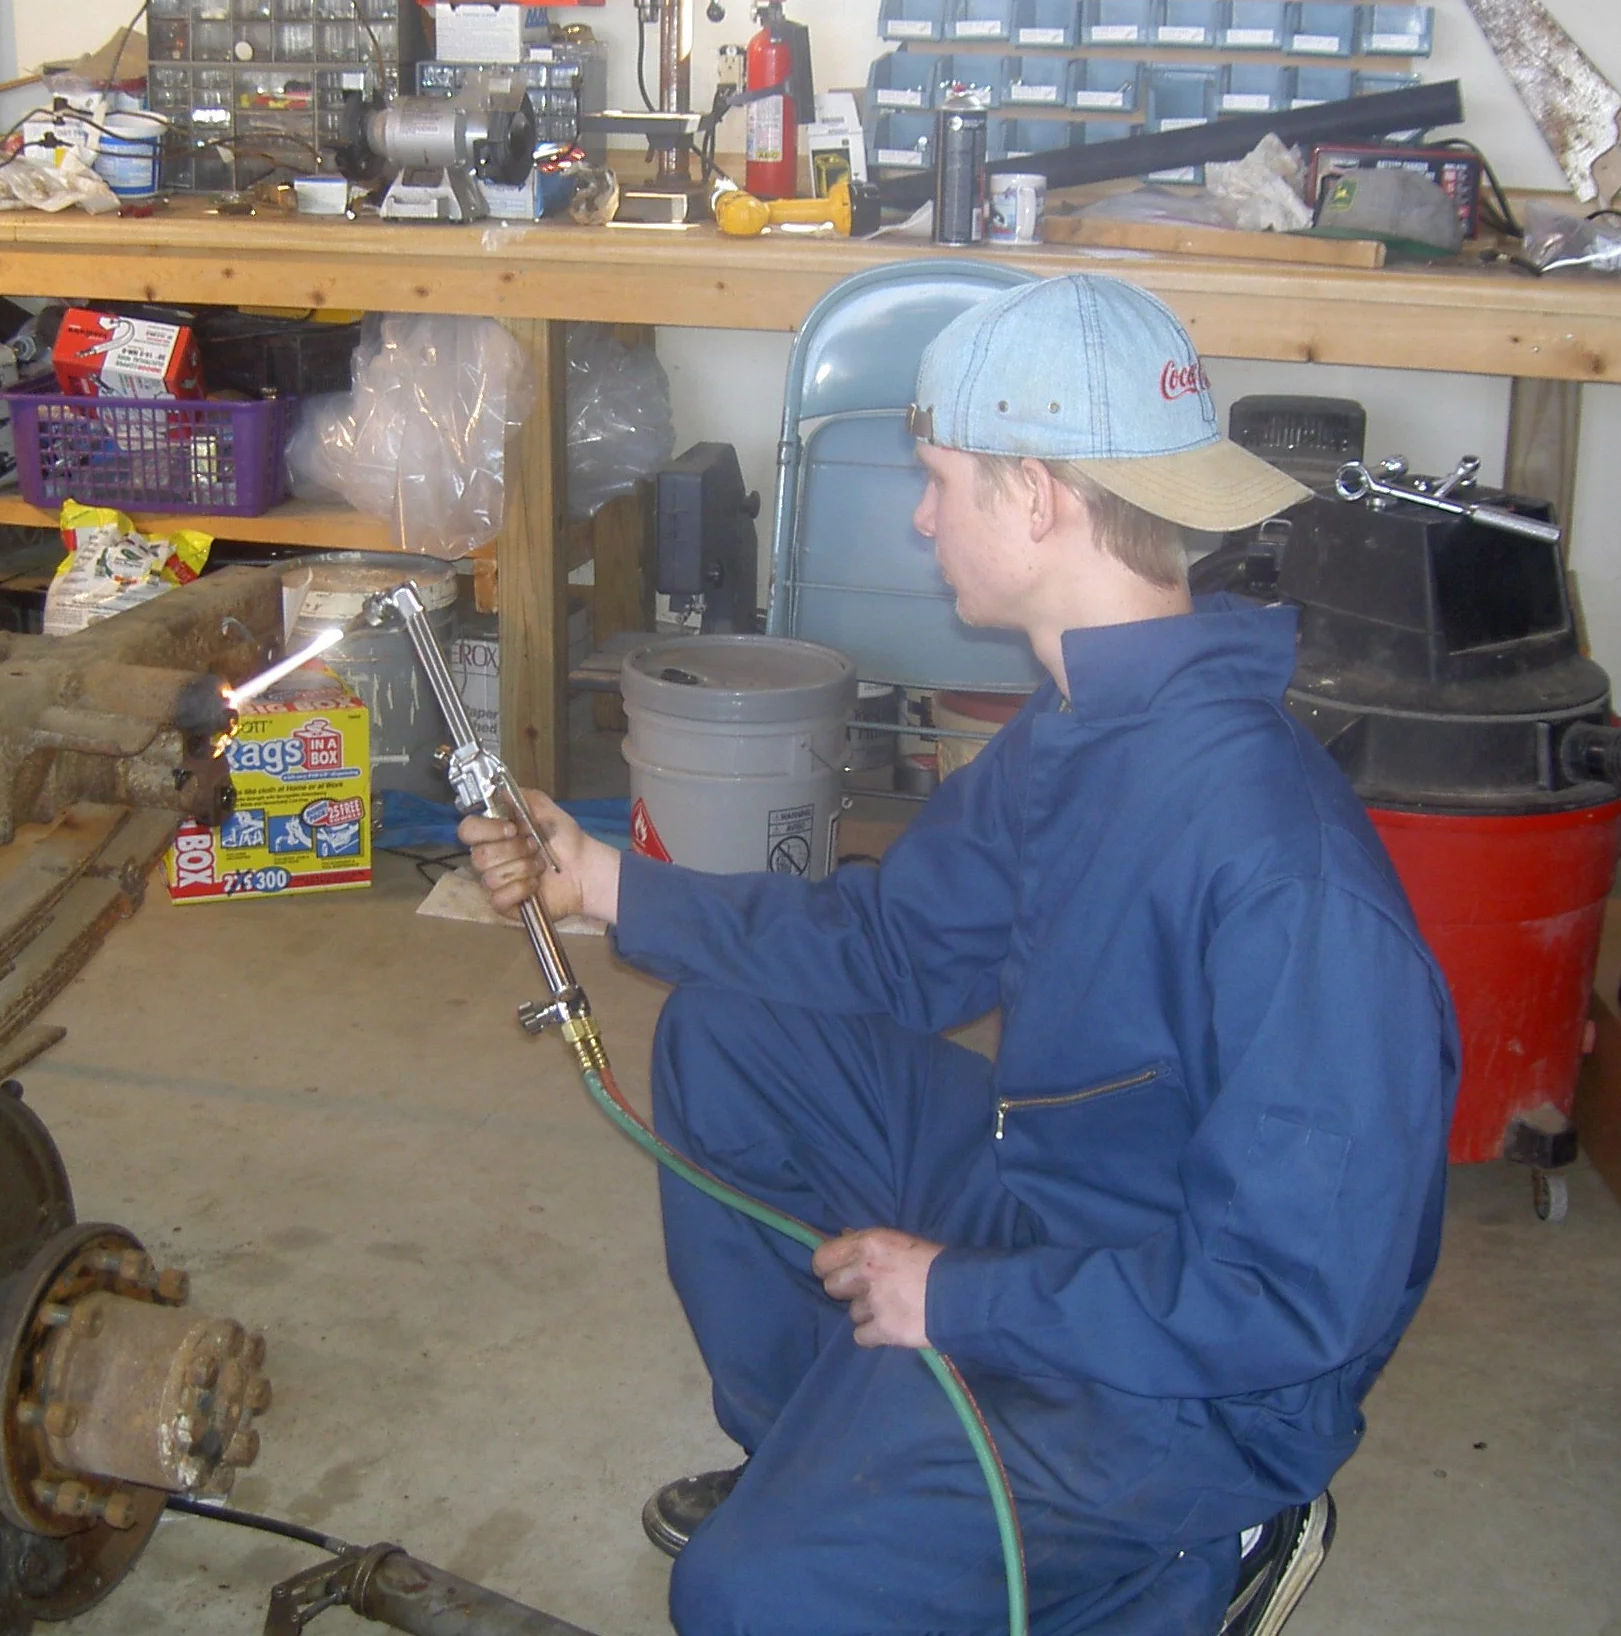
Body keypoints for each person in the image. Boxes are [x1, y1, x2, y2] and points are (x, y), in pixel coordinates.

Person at [461, 274, 1457, 1636]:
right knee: (730, 1036)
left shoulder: (1289, 879)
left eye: (937, 484)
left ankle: (1204, 1552)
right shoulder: (1089, 722)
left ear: (1034, 497)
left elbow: (1289, 1298)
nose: (923, 520)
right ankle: (822, 1463)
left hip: (1193, 1379)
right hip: (1054, 1196)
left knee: (742, 1605)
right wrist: (603, 883)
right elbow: (896, 945)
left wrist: (962, 1297)